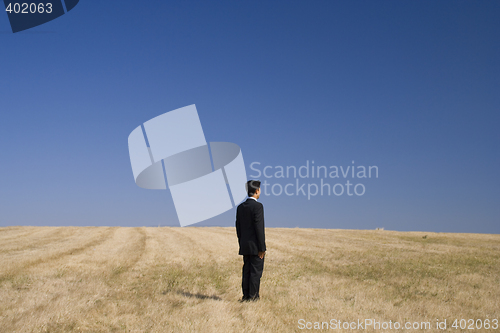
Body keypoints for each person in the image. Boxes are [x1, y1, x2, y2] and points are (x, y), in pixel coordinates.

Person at [236, 180, 266, 302]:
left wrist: (241, 242)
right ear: (257, 190)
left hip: (245, 245)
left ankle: (246, 296)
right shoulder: (258, 206)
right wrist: (262, 248)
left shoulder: (240, 207)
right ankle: (253, 297)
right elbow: (259, 228)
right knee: (255, 272)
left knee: (246, 271)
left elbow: (238, 227)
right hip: (255, 247)